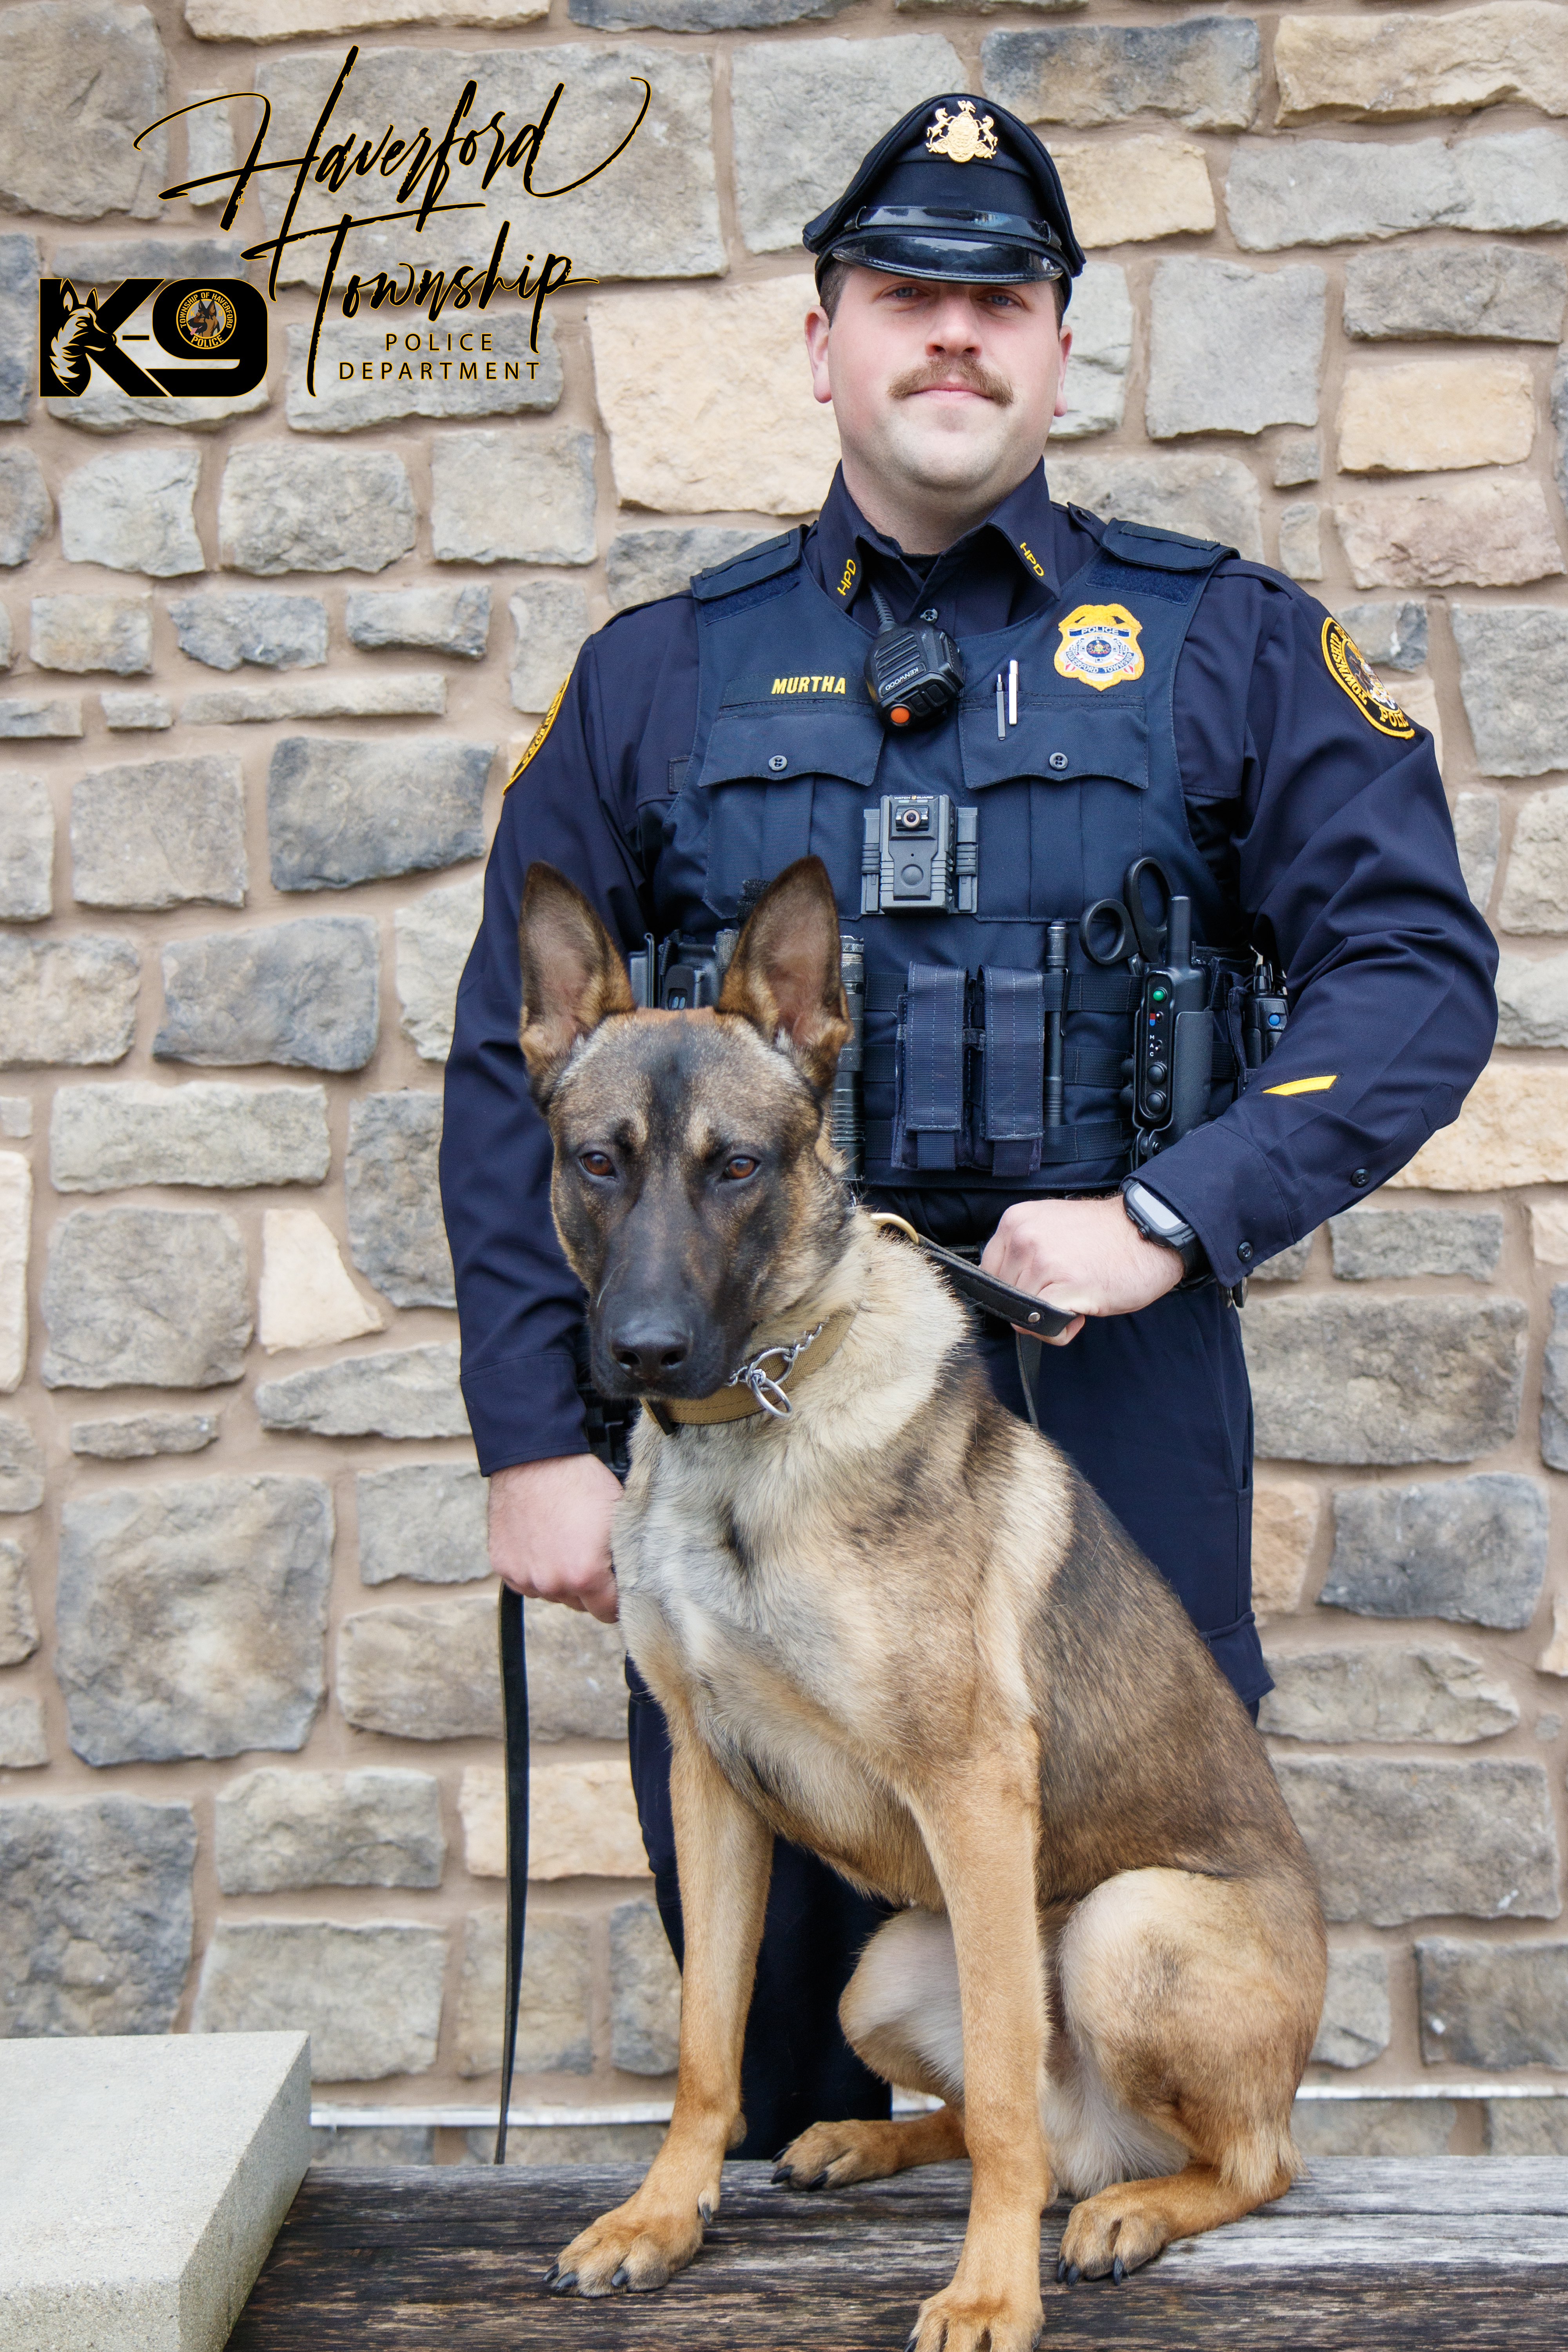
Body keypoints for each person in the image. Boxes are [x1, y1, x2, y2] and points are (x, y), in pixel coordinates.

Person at [441, 94, 1497, 2158]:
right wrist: (530, 1439)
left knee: (1117, 2034)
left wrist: (1171, 1211)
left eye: (997, 298)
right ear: (820, 332)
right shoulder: (656, 679)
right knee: (800, 2120)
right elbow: (521, 1074)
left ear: (1062, 342)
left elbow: (1414, 980)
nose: (953, 336)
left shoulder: (1232, 646)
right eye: (903, 294)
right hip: (745, 1418)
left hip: (1101, 1411)